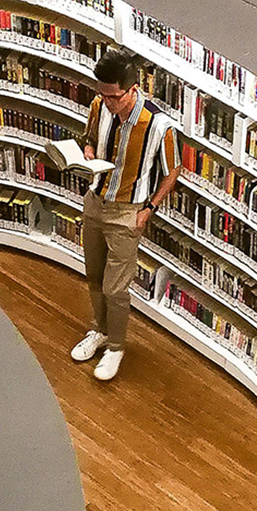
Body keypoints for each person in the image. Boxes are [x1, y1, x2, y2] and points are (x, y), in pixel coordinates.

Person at [71, 49, 182, 381]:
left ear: (133, 89)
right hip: (95, 202)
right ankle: (99, 330)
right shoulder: (98, 106)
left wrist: (148, 210)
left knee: (116, 288)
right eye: (102, 95)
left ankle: (116, 346)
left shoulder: (160, 126)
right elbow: (90, 137)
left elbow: (173, 170)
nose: (107, 103)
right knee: (94, 276)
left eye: (114, 97)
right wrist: (88, 152)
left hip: (127, 213)